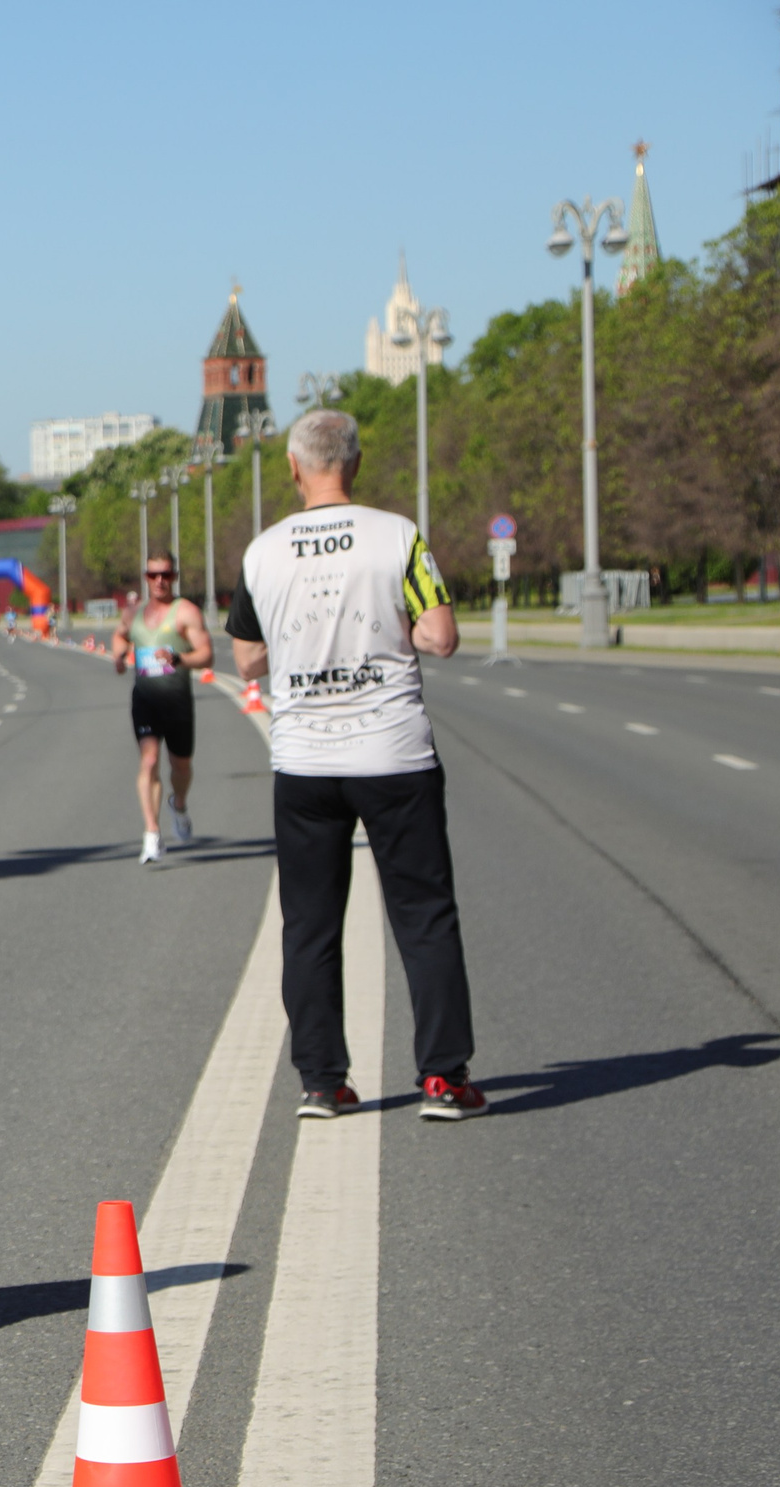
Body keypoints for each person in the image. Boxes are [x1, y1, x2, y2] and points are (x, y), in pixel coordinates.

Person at [228, 408, 487, 1122]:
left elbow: (246, 658)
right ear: (356, 463)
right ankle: (443, 1079)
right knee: (424, 914)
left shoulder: (263, 551)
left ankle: (321, 1082)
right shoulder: (397, 536)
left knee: (309, 924)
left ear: (293, 467)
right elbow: (440, 636)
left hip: (305, 761)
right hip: (393, 753)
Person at [111, 550, 213, 865]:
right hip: (145, 699)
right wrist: (118, 656)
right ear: (145, 578)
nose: (159, 581)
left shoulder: (186, 612)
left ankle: (178, 804)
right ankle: (152, 834)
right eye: (153, 575)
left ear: (174, 577)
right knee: (150, 760)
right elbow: (120, 635)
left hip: (177, 701)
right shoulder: (134, 613)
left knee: (180, 766)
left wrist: (179, 659)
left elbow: (206, 655)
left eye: (165, 574)